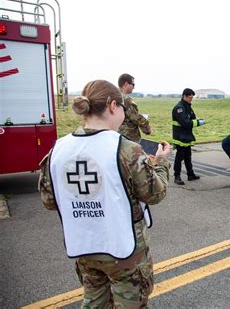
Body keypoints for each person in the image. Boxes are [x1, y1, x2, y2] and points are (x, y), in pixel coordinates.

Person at [38, 80, 170, 308]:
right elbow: (155, 194)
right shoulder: (126, 149)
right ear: (112, 106)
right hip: (123, 249)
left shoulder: (58, 148)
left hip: (84, 247)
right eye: (122, 108)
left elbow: (49, 201)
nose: (123, 113)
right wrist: (160, 163)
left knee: (94, 300)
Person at [172, 88, 205, 185]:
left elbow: (192, 118)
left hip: (186, 136)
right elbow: (185, 123)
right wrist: (198, 122)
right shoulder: (179, 108)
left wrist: (196, 121)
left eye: (192, 98)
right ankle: (177, 176)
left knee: (188, 156)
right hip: (180, 137)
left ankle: (190, 174)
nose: (191, 99)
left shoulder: (187, 106)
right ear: (184, 96)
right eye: (190, 98)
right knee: (180, 157)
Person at [118, 73, 151, 142]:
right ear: (126, 84)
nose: (134, 87)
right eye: (133, 84)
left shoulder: (113, 96)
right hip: (128, 137)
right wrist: (147, 129)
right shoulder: (126, 99)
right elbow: (136, 118)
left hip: (116, 134)